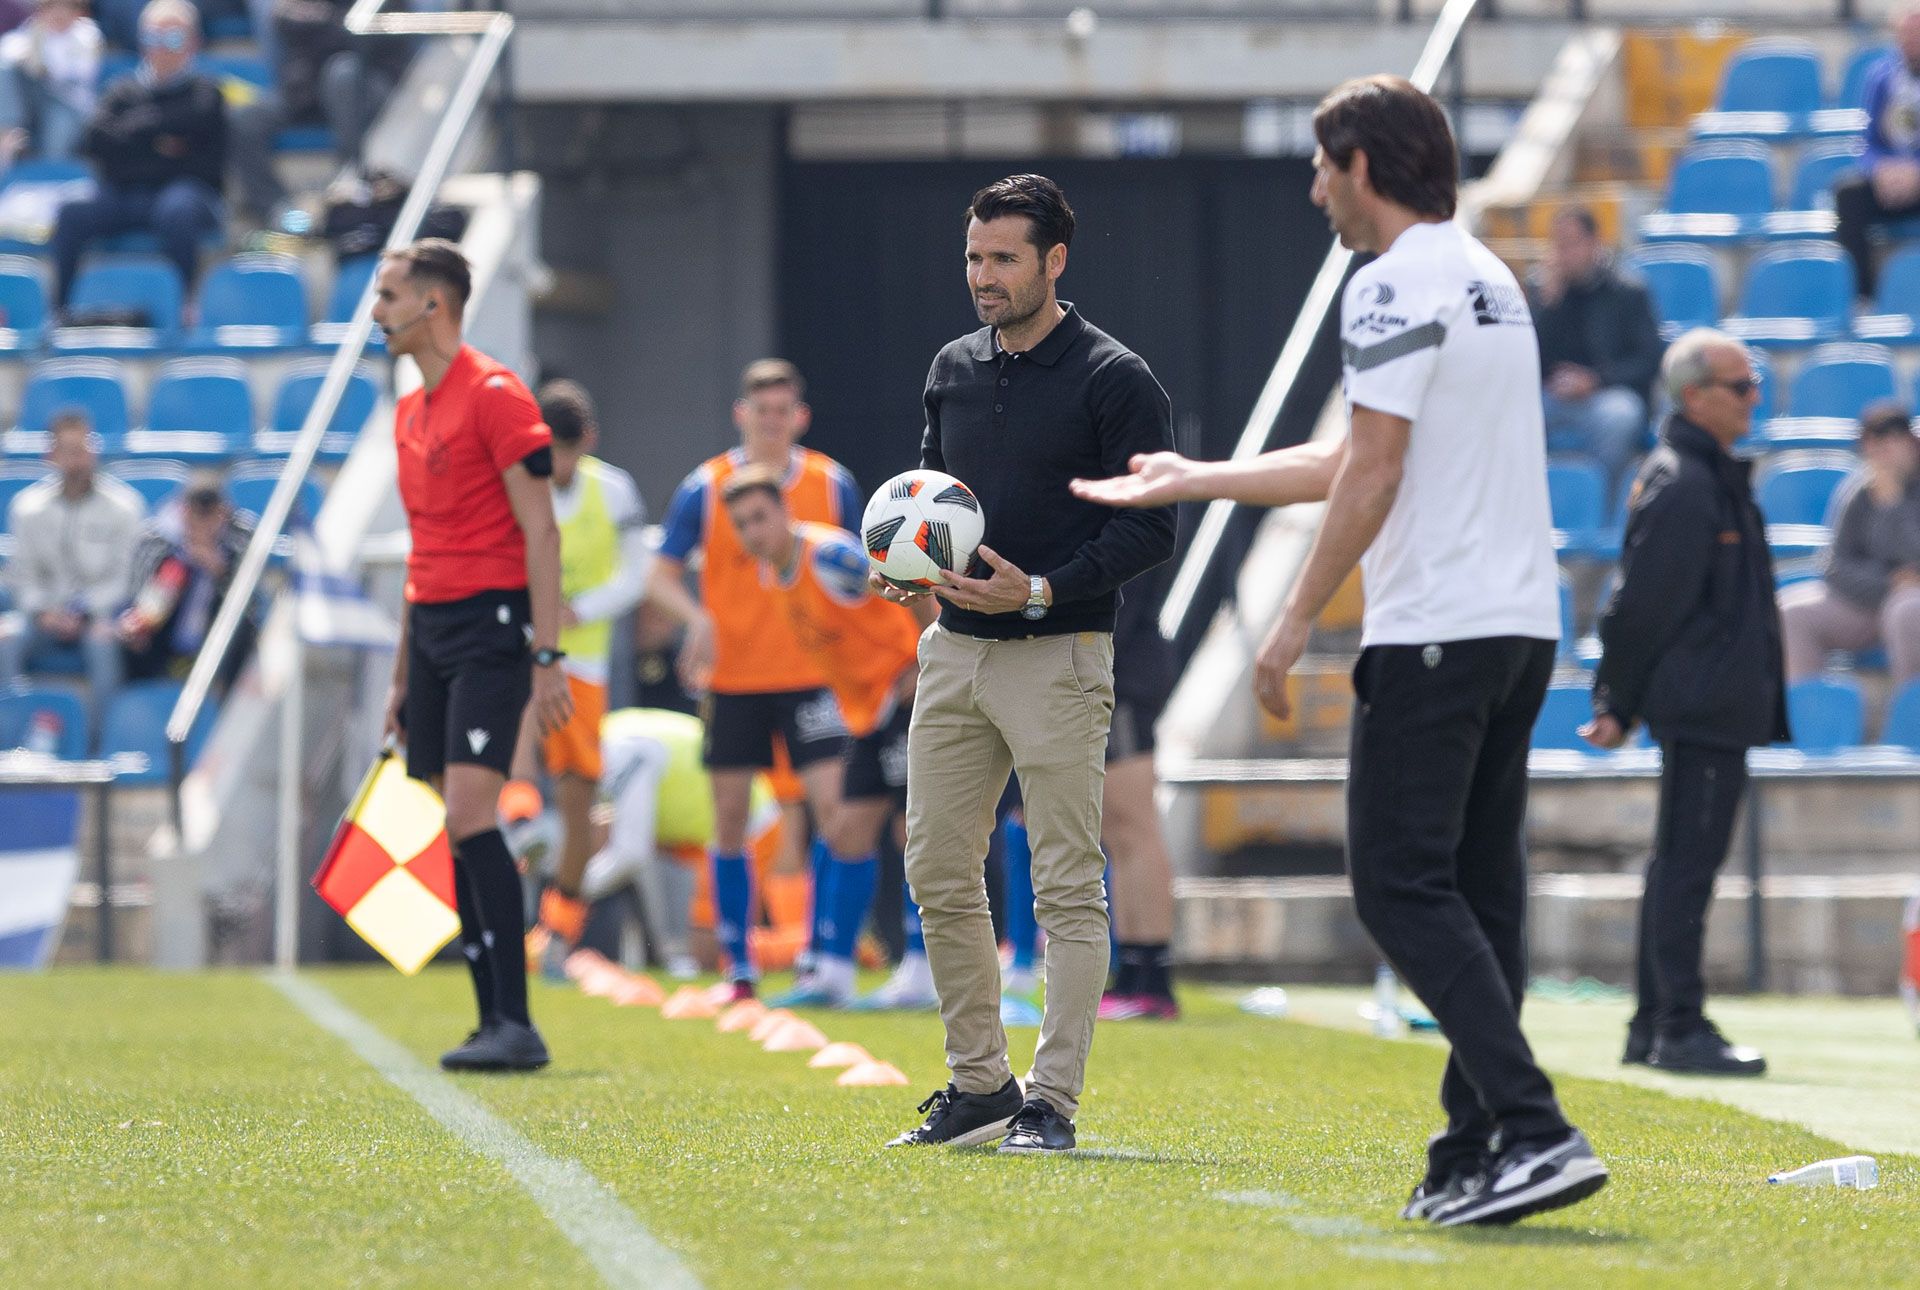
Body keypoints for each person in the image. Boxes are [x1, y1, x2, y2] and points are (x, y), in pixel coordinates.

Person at [1074, 78, 1606, 1225]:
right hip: (1519, 628)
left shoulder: (1391, 279)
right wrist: (1196, 479)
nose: (1314, 188)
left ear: (1363, 164)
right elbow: (1360, 453)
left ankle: (1536, 1127)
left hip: (1437, 632)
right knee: (1478, 896)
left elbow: (1370, 475)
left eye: (1322, 165)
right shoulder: (1486, 276)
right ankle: (1475, 1148)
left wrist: (1290, 616)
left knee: (1399, 889)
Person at [881, 173, 1176, 1157]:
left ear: (1055, 260)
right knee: (935, 867)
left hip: (1061, 656)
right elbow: (933, 494)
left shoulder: (1116, 378)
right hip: (953, 657)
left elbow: (1151, 532)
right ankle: (981, 1086)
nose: (984, 276)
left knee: (1063, 887)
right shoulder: (952, 365)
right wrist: (905, 570)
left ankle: (1053, 1100)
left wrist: (1041, 589)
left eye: (1004, 258)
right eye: (975, 257)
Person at [372, 238, 571, 1073]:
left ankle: (515, 1022)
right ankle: (492, 1018)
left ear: (433, 303)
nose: (377, 312)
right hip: (434, 630)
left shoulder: (494, 394)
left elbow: (541, 529)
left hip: (493, 626)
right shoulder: (408, 410)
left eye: (388, 295)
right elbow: (421, 553)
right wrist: (399, 675)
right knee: (455, 824)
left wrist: (548, 652)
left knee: (470, 815)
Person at [1585, 328, 1787, 1078]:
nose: (1755, 397)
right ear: (1695, 397)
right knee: (1686, 870)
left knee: (1679, 863)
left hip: (1712, 703)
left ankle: (1651, 1025)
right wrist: (1617, 698)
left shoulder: (1704, 474)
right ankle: (1678, 1025)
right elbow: (1639, 608)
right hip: (1701, 706)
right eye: (1741, 386)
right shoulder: (1688, 482)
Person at [644, 359, 862, 1002]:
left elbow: (853, 576)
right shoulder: (705, 488)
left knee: (833, 810)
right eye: (760, 411)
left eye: (783, 411)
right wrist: (698, 620)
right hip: (734, 678)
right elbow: (658, 574)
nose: (772, 422)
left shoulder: (831, 482)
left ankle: (824, 957)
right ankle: (739, 967)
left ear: (800, 418)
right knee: (731, 817)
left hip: (811, 676)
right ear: (741, 414)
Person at [721, 466, 932, 1007]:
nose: (753, 532)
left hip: (905, 696)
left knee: (913, 831)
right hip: (867, 712)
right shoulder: (774, 574)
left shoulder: (830, 557)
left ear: (785, 511)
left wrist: (929, 659)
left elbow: (907, 586)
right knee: (845, 832)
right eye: (741, 524)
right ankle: (833, 973)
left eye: (761, 517)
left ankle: (922, 967)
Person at [506, 378, 649, 977]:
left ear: (586, 441)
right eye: (550, 448)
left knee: (577, 800)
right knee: (501, 766)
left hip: (581, 665)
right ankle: (516, 829)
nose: (559, 462)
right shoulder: (515, 483)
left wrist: (577, 609)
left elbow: (634, 578)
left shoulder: (613, 492)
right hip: (517, 650)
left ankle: (557, 932)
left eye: (567, 449)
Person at [50, 0, 224, 313]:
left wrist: (134, 139)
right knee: (72, 211)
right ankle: (61, 309)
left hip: (188, 196)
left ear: (193, 42)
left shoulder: (207, 92)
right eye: (152, 39)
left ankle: (184, 305)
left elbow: (204, 159)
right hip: (125, 195)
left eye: (172, 39)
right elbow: (93, 142)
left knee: (178, 210)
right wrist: (161, 143)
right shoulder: (120, 91)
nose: (161, 49)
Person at [0, 410, 141, 724]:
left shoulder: (123, 507)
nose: (77, 460)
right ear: (51, 455)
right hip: (44, 617)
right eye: (68, 451)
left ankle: (102, 743)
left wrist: (86, 610)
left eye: (82, 450)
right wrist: (43, 611)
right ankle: (9, 734)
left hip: (99, 617)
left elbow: (124, 578)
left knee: (103, 642)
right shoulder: (28, 509)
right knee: (6, 637)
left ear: (94, 450)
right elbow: (21, 575)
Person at [228, 0, 410, 227]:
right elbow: (284, 22)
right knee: (246, 117)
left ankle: (352, 178)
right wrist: (330, 23)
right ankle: (276, 213)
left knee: (342, 71)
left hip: (366, 89)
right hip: (306, 93)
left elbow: (362, 38)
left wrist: (322, 21)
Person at [1779, 402, 1920, 685]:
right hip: (1871, 599)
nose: (1884, 452)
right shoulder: (1858, 492)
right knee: (1792, 613)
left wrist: (1892, 505)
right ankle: (1809, 718)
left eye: (1893, 441)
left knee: (1905, 612)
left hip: (1912, 600)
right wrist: (1888, 582)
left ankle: (1911, 718)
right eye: (1876, 444)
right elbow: (1833, 565)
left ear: (1911, 443)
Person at [1528, 207, 1664, 493]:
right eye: (1559, 244)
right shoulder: (1546, 293)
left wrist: (1596, 380)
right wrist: (1546, 308)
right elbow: (1529, 361)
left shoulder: (1627, 290)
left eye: (1572, 243)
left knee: (1620, 416)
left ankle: (1600, 505)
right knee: (1515, 412)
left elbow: (1649, 360)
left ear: (1593, 243)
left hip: (1606, 395)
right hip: (1555, 397)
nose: (1564, 253)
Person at [1096, 568, 1181, 1021]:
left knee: (1135, 826)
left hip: (1125, 672)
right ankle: (1132, 971)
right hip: (1117, 669)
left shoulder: (1129, 503)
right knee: (1117, 830)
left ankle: (1153, 979)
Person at [117, 471, 256, 692]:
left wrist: (220, 571)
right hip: (166, 630)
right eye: (195, 514)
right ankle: (140, 704)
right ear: (183, 511)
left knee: (242, 628)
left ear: (224, 513)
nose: (202, 524)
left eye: (210, 515)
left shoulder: (240, 536)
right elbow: (138, 595)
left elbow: (250, 599)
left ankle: (228, 703)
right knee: (128, 636)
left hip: (217, 631)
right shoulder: (158, 539)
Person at [1836, 5, 1920, 302]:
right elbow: (1865, 142)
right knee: (1847, 193)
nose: (1912, 40)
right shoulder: (1880, 77)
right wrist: (1879, 171)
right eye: (1906, 34)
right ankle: (1863, 297)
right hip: (1891, 182)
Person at [0, 0, 102, 163]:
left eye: (66, 7)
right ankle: (9, 130)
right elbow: (6, 52)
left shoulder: (87, 35)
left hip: (70, 105)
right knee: (5, 69)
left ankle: (50, 176)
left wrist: (41, 64)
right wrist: (25, 56)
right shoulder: (32, 31)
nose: (58, 14)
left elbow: (80, 73)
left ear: (76, 11)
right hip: (36, 101)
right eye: (51, 7)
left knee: (57, 138)